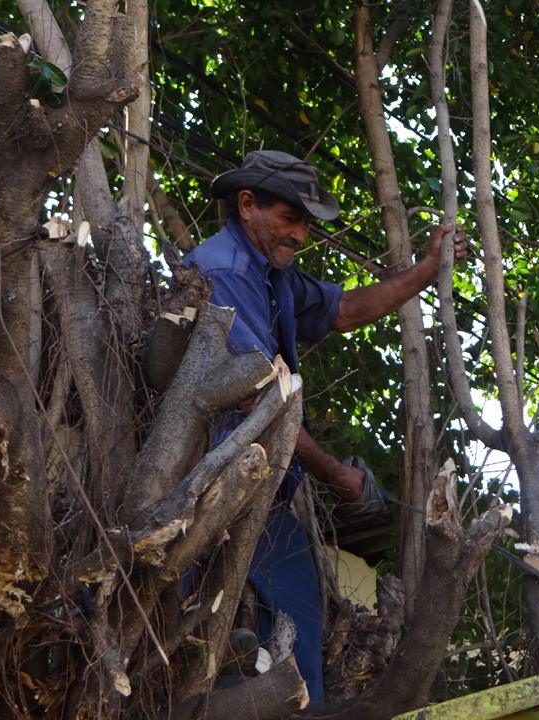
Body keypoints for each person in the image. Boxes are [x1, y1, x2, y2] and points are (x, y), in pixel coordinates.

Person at [183, 150, 466, 702]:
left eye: (306, 225)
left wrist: (426, 272)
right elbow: (259, 397)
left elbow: (344, 311)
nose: (301, 236)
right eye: (291, 220)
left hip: (259, 489)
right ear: (247, 205)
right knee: (205, 631)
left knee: (292, 629)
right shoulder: (224, 269)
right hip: (210, 482)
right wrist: (335, 473)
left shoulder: (273, 274)